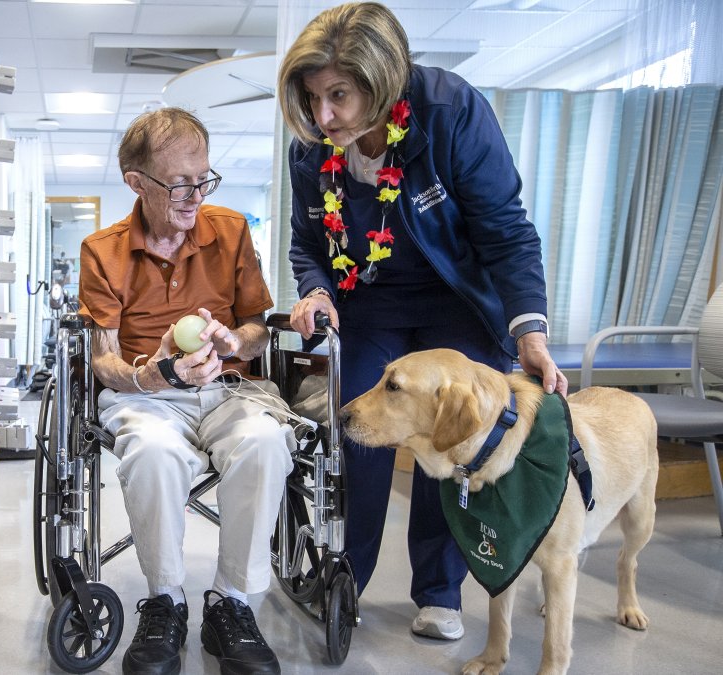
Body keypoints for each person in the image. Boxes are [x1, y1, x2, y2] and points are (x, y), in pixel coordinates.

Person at [276, 1, 566, 642]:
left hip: (456, 301)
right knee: (356, 434)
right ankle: (344, 579)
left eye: (340, 96)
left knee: (452, 438)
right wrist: (316, 289)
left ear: (381, 80)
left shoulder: (450, 111)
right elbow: (306, 244)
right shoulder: (314, 150)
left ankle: (439, 591)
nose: (324, 116)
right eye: (313, 96)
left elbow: (506, 232)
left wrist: (530, 334)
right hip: (370, 304)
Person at [78, 107, 293, 675]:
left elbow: (256, 330)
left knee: (267, 442)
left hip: (229, 390)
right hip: (145, 396)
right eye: (179, 184)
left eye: (203, 180)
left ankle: (231, 602)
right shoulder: (103, 250)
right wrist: (151, 376)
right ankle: (166, 599)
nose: (194, 195)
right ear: (136, 182)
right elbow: (102, 356)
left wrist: (232, 342)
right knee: (152, 452)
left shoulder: (231, 229)